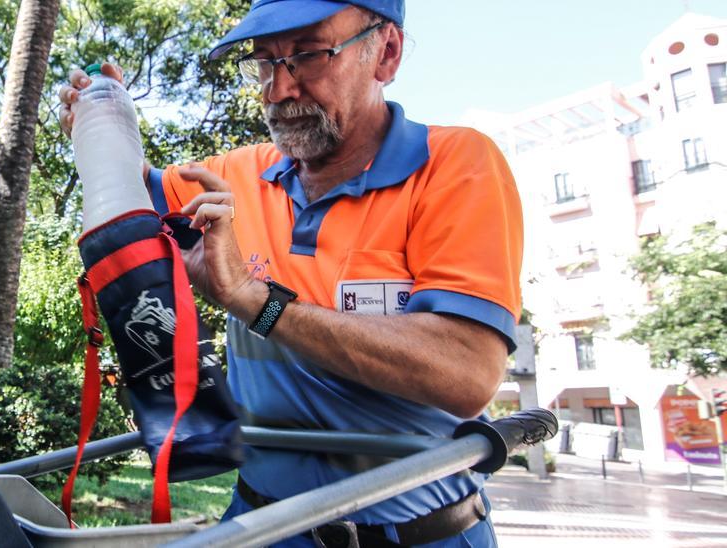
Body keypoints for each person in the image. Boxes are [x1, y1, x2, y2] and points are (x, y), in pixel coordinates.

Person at [59, 0, 521, 546]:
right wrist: (102, 125)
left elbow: (465, 373)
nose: (278, 90)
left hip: (418, 534)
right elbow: (131, 208)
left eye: (308, 56)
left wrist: (258, 301)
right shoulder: (235, 175)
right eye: (265, 61)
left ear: (387, 52)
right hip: (262, 526)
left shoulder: (453, 164)